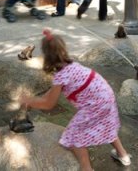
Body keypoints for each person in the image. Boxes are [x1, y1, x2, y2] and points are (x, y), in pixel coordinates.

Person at [20, 29, 131, 170]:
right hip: (106, 95)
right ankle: (123, 155)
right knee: (106, 124)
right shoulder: (72, 66)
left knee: (74, 136)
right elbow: (50, 94)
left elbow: (49, 104)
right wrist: (35, 101)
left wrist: (28, 100)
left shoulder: (61, 76)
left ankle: (86, 168)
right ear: (63, 50)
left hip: (95, 105)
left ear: (46, 56)